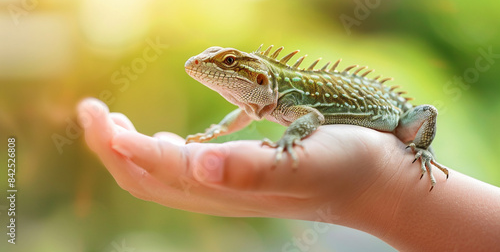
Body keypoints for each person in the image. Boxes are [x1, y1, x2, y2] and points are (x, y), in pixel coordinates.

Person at [78, 98, 500, 251]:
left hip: (395, 119)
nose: (216, 70)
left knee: (423, 115)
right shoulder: (260, 101)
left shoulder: (291, 100)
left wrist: (387, 176)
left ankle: (422, 150)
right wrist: (215, 133)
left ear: (261, 77)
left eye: (229, 64)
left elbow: (312, 116)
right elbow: (244, 113)